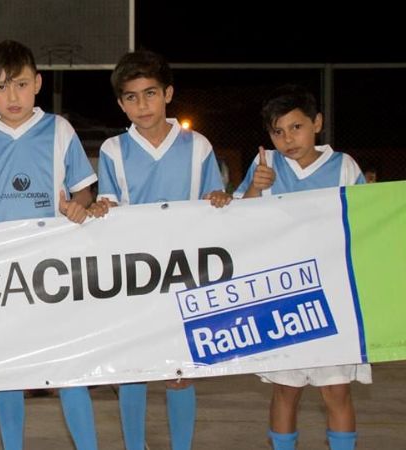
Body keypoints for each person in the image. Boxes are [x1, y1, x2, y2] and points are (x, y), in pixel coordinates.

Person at [0, 39, 101, 450]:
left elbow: (84, 193)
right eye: (1, 87)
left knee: (69, 371)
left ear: (37, 83)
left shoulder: (59, 130)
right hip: (1, 275)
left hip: (54, 270)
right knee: (9, 374)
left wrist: (77, 207)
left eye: (19, 84)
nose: (11, 96)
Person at [96, 49, 231, 450]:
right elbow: (109, 213)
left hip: (186, 276)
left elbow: (214, 204)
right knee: (133, 370)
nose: (143, 104)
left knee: (180, 371)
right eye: (132, 97)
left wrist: (221, 200)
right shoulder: (112, 150)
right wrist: (102, 211)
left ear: (168, 93)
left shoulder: (199, 146)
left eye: (150, 93)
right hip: (134, 276)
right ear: (121, 103)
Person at [234, 84, 371, 450]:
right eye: (277, 132)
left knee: (336, 390)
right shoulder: (265, 166)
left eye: (296, 127)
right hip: (283, 294)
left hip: (334, 295)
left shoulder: (344, 166)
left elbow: (366, 223)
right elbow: (236, 224)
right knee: (285, 390)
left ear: (317, 124)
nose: (287, 138)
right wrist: (252, 191)